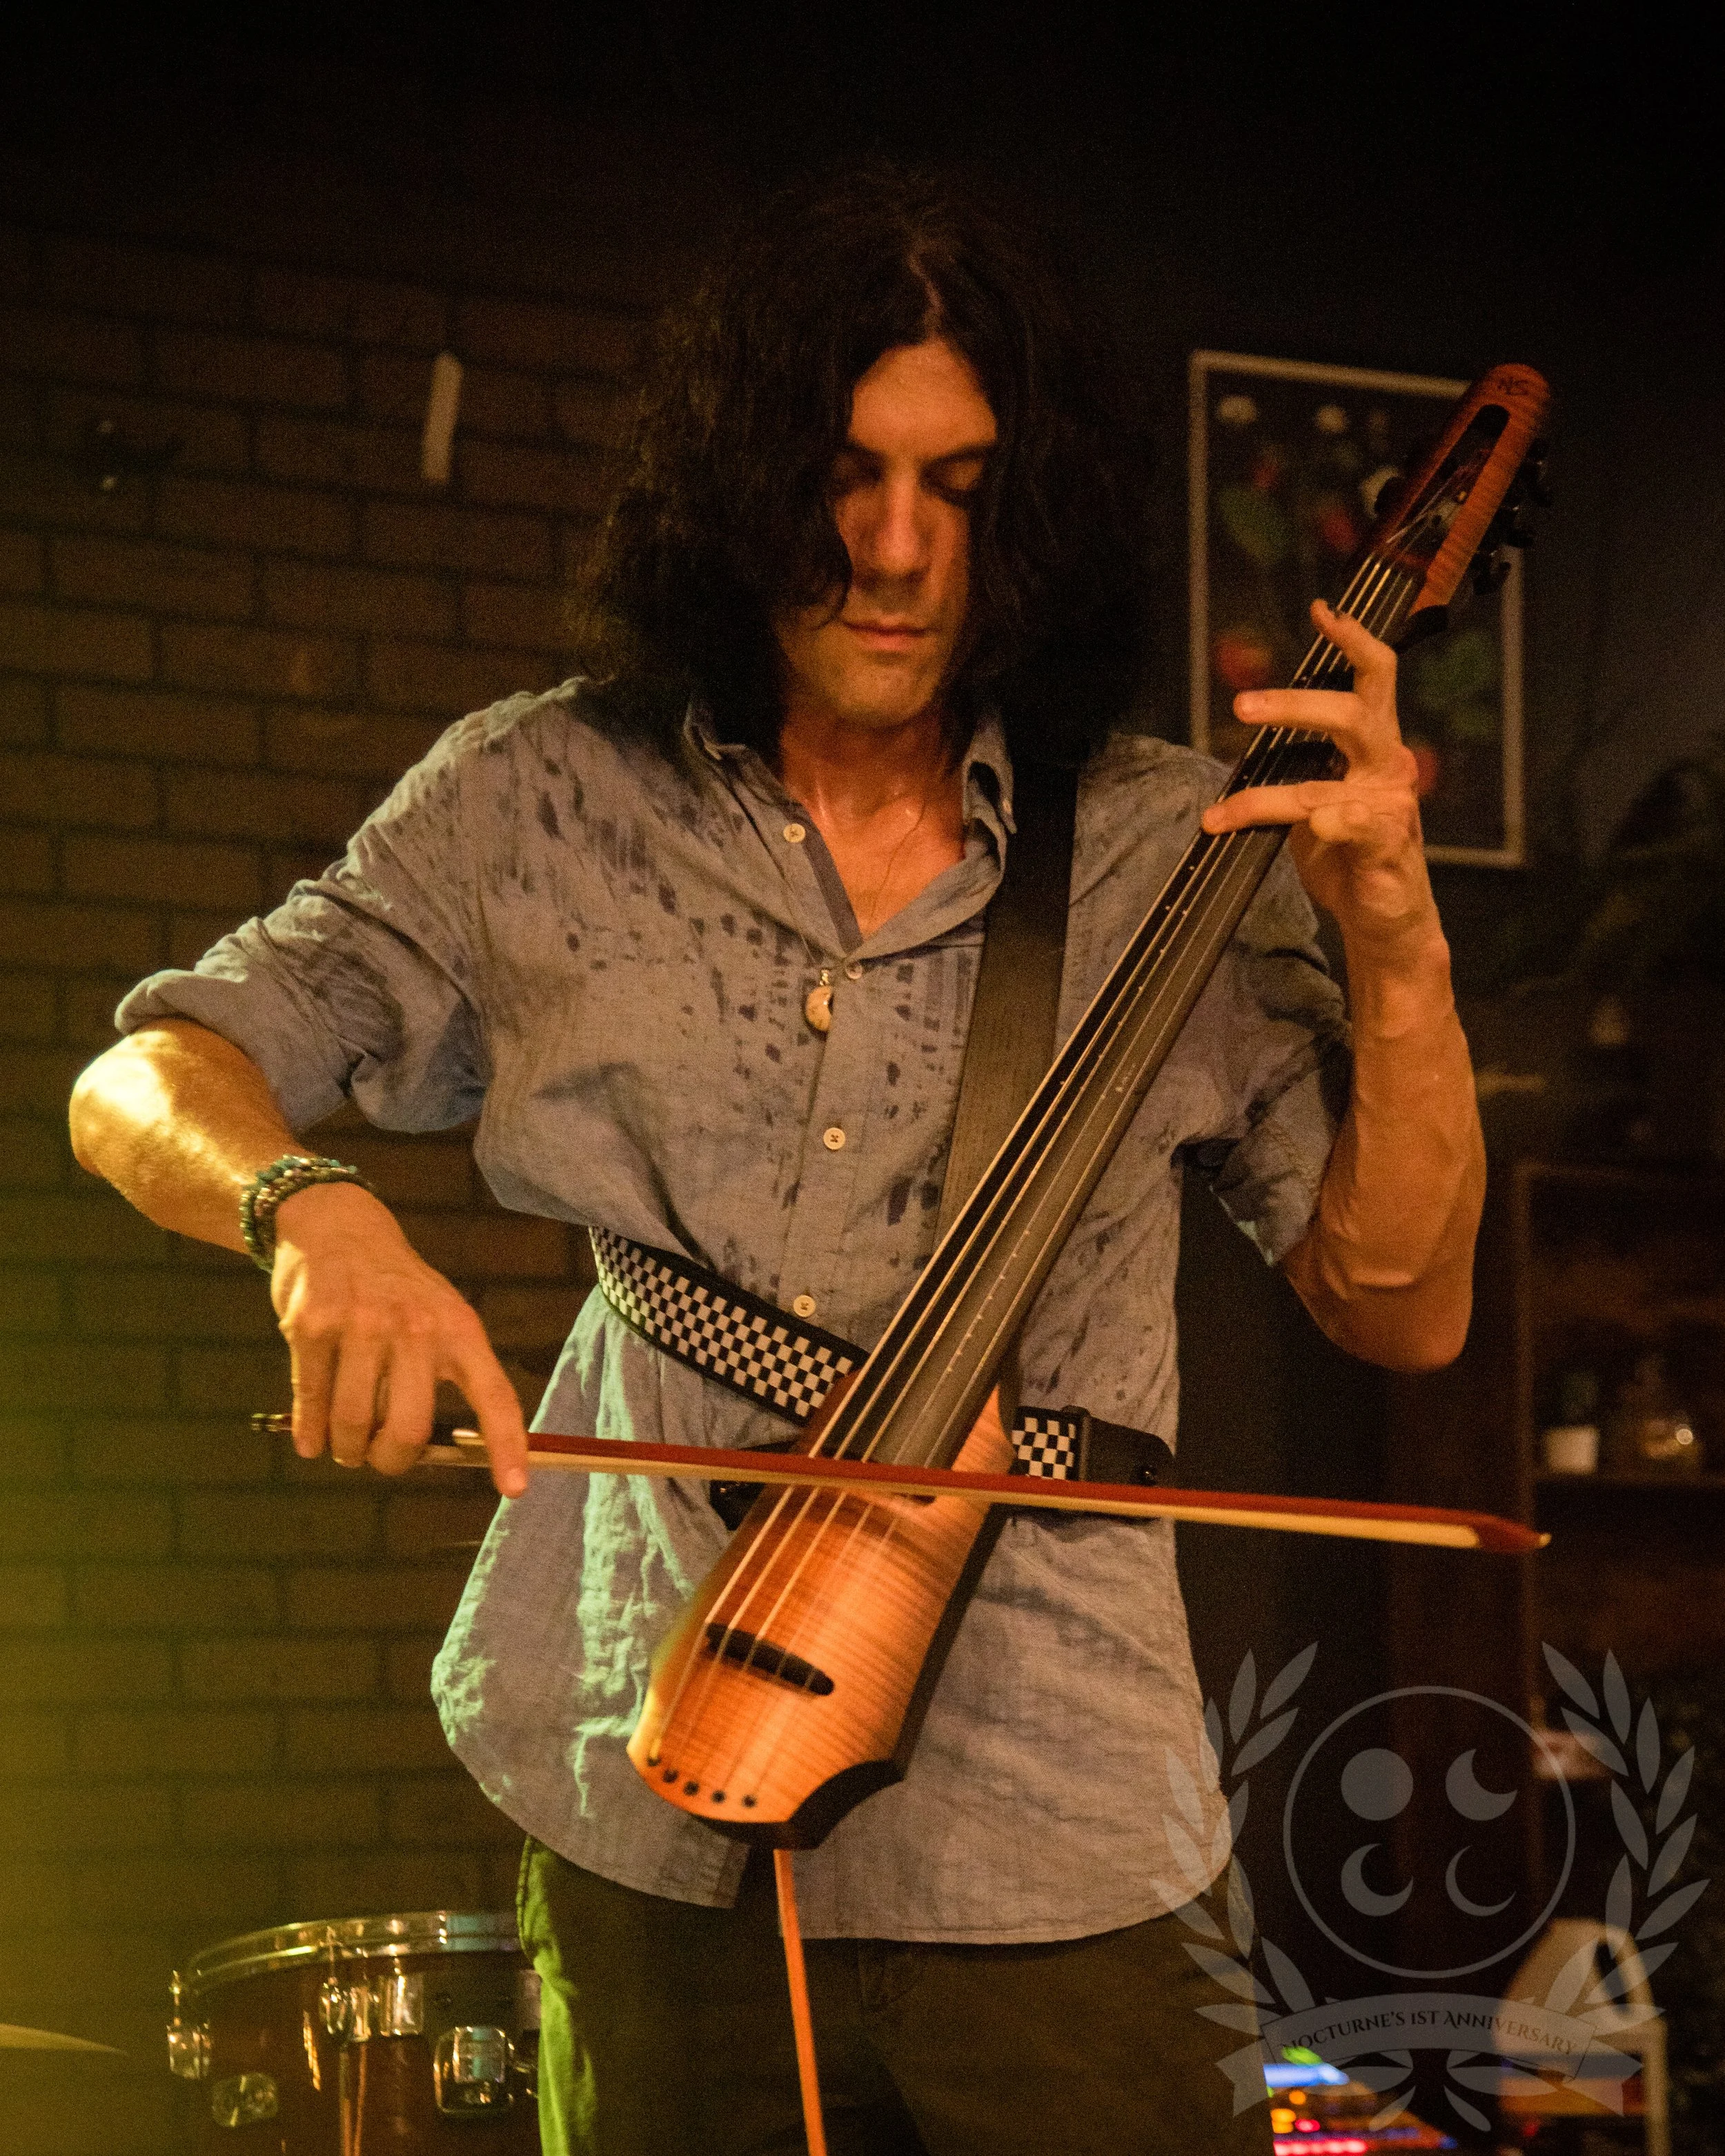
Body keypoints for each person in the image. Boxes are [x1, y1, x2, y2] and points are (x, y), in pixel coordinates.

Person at [69, 168, 1484, 2155]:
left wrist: (1399, 940)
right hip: (641, 1776)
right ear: (741, 479)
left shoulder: (1188, 845)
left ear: (1034, 512)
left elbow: (1403, 1303)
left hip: (1056, 1829)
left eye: (963, 488)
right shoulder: (535, 793)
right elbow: (148, 1072)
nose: (897, 551)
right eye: (844, 471)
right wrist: (308, 1211)